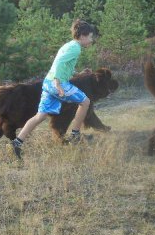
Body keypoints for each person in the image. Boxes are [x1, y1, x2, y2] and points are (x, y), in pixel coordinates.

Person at [11, 19, 95, 159]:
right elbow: (60, 64)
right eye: (90, 37)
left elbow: (63, 65)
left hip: (48, 83)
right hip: (57, 83)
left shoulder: (69, 45)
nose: (91, 40)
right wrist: (57, 83)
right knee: (85, 102)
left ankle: (17, 142)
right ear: (82, 36)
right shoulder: (75, 48)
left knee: (40, 116)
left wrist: (78, 73)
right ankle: (75, 135)